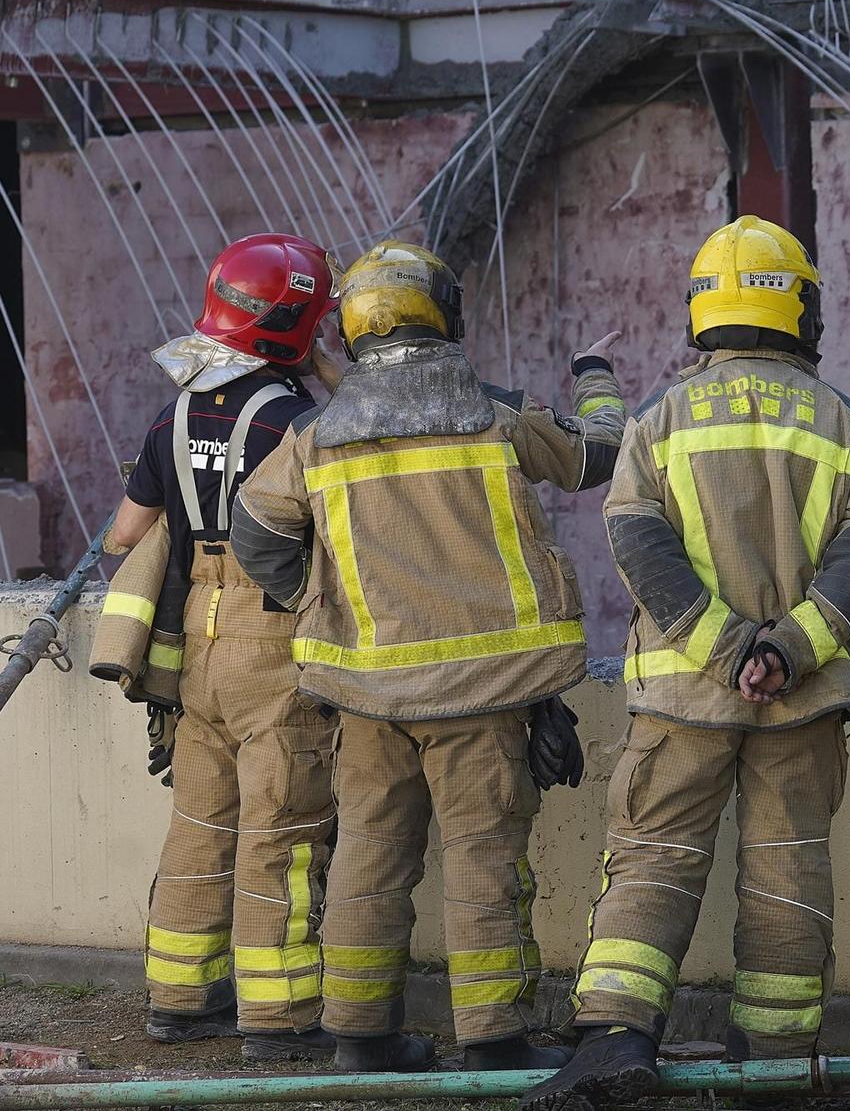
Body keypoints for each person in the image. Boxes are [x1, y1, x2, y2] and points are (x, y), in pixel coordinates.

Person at [524, 215, 850, 1111]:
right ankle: (773, 1057)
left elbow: (639, 544)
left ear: (704, 314)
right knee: (787, 863)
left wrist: (726, 650)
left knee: (652, 854)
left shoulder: (659, 421)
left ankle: (617, 1039)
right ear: (800, 312)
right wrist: (786, 649)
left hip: (685, 692)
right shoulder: (846, 425)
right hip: (803, 697)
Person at [231, 240, 626, 1074]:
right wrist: (597, 379)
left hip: (368, 692)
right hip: (485, 692)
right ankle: (493, 1041)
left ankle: (361, 1040)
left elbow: (256, 532)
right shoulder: (495, 413)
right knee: (484, 859)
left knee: (369, 858)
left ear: (350, 327)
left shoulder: (316, 435)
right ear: (443, 312)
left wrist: (315, 596)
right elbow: (598, 454)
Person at [98, 232, 344, 1063]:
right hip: (272, 631)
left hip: (195, 641)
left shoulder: (172, 414)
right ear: (300, 329)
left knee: (201, 821)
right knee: (284, 822)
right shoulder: (296, 418)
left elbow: (122, 533)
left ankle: (179, 999)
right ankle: (277, 1019)